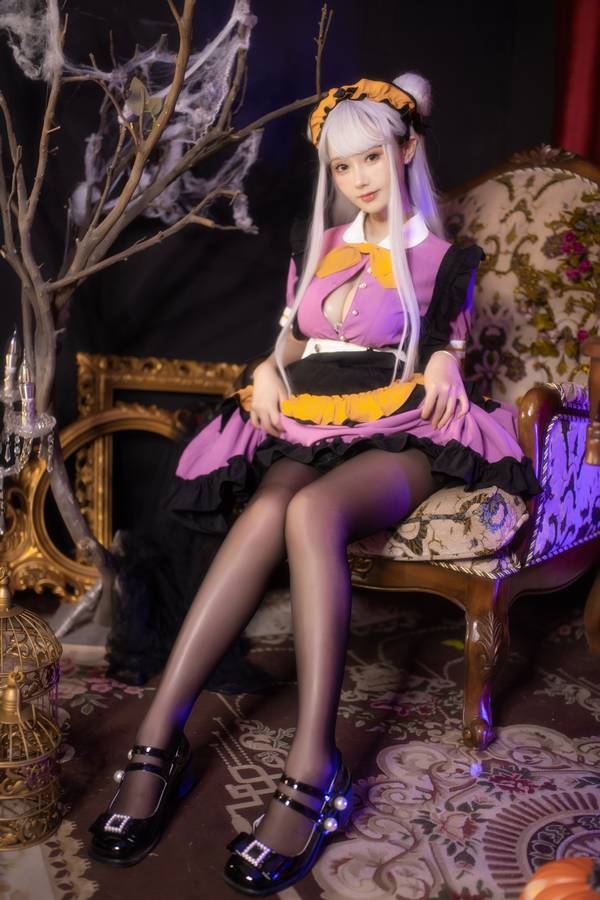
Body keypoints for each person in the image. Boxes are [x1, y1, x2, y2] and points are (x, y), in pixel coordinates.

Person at [89, 73, 539, 893]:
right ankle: (158, 737)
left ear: (408, 150)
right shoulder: (324, 247)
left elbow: (447, 346)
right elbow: (290, 345)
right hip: (310, 417)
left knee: (312, 512)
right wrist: (266, 371)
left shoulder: (445, 259)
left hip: (403, 428)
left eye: (372, 157)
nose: (359, 178)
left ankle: (313, 763)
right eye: (342, 165)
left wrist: (445, 357)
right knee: (267, 506)